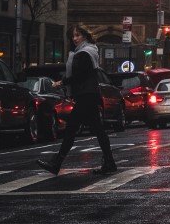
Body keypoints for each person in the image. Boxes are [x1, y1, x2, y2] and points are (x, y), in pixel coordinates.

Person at [38, 25, 117, 175]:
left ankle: (56, 163)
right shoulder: (91, 51)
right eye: (73, 36)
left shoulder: (83, 53)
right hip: (91, 95)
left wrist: (61, 83)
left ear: (85, 36)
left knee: (71, 129)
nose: (74, 39)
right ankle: (109, 162)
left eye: (77, 35)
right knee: (98, 130)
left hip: (86, 96)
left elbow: (79, 76)